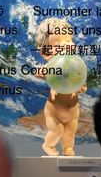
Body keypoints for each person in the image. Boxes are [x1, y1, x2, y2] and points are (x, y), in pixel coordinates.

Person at [34, 17, 86, 156]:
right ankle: (47, 145)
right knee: (57, 131)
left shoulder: (76, 66)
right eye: (61, 43)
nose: (68, 45)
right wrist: (41, 72)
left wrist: (81, 88)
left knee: (70, 132)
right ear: (46, 53)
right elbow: (42, 71)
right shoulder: (51, 66)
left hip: (73, 111)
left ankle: (67, 148)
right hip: (54, 111)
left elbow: (80, 82)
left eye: (69, 40)